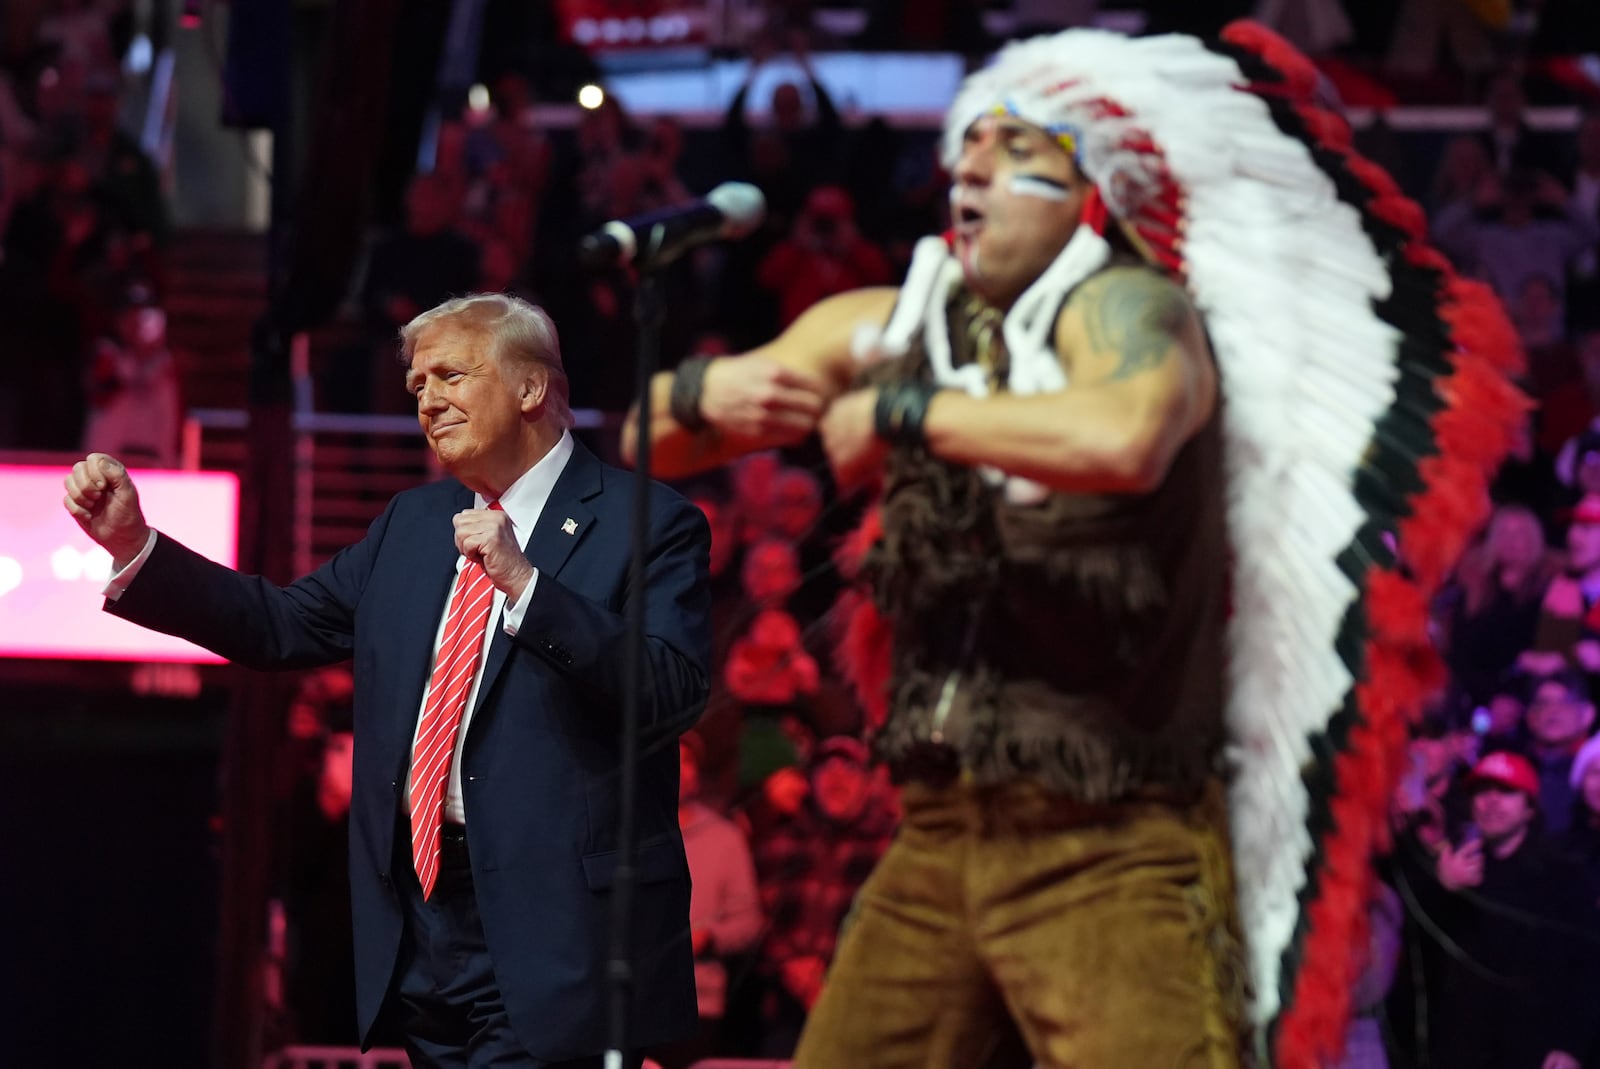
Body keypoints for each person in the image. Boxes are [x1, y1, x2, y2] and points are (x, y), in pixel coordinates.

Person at [624, 22, 1524, 1069]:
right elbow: (652, 434)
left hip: (1107, 840)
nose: (969, 183)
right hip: (936, 832)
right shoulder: (900, 316)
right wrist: (698, 390)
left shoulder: (1139, 312)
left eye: (1012, 167)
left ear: (1089, 197)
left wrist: (910, 417)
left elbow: (1124, 434)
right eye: (962, 164)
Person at [63, 293, 713, 1068]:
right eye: (416, 387)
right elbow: (279, 624)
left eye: (449, 375)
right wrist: (137, 544)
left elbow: (671, 689)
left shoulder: (649, 521)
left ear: (532, 387)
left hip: (562, 937)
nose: (427, 400)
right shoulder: (411, 523)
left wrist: (529, 586)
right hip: (424, 938)